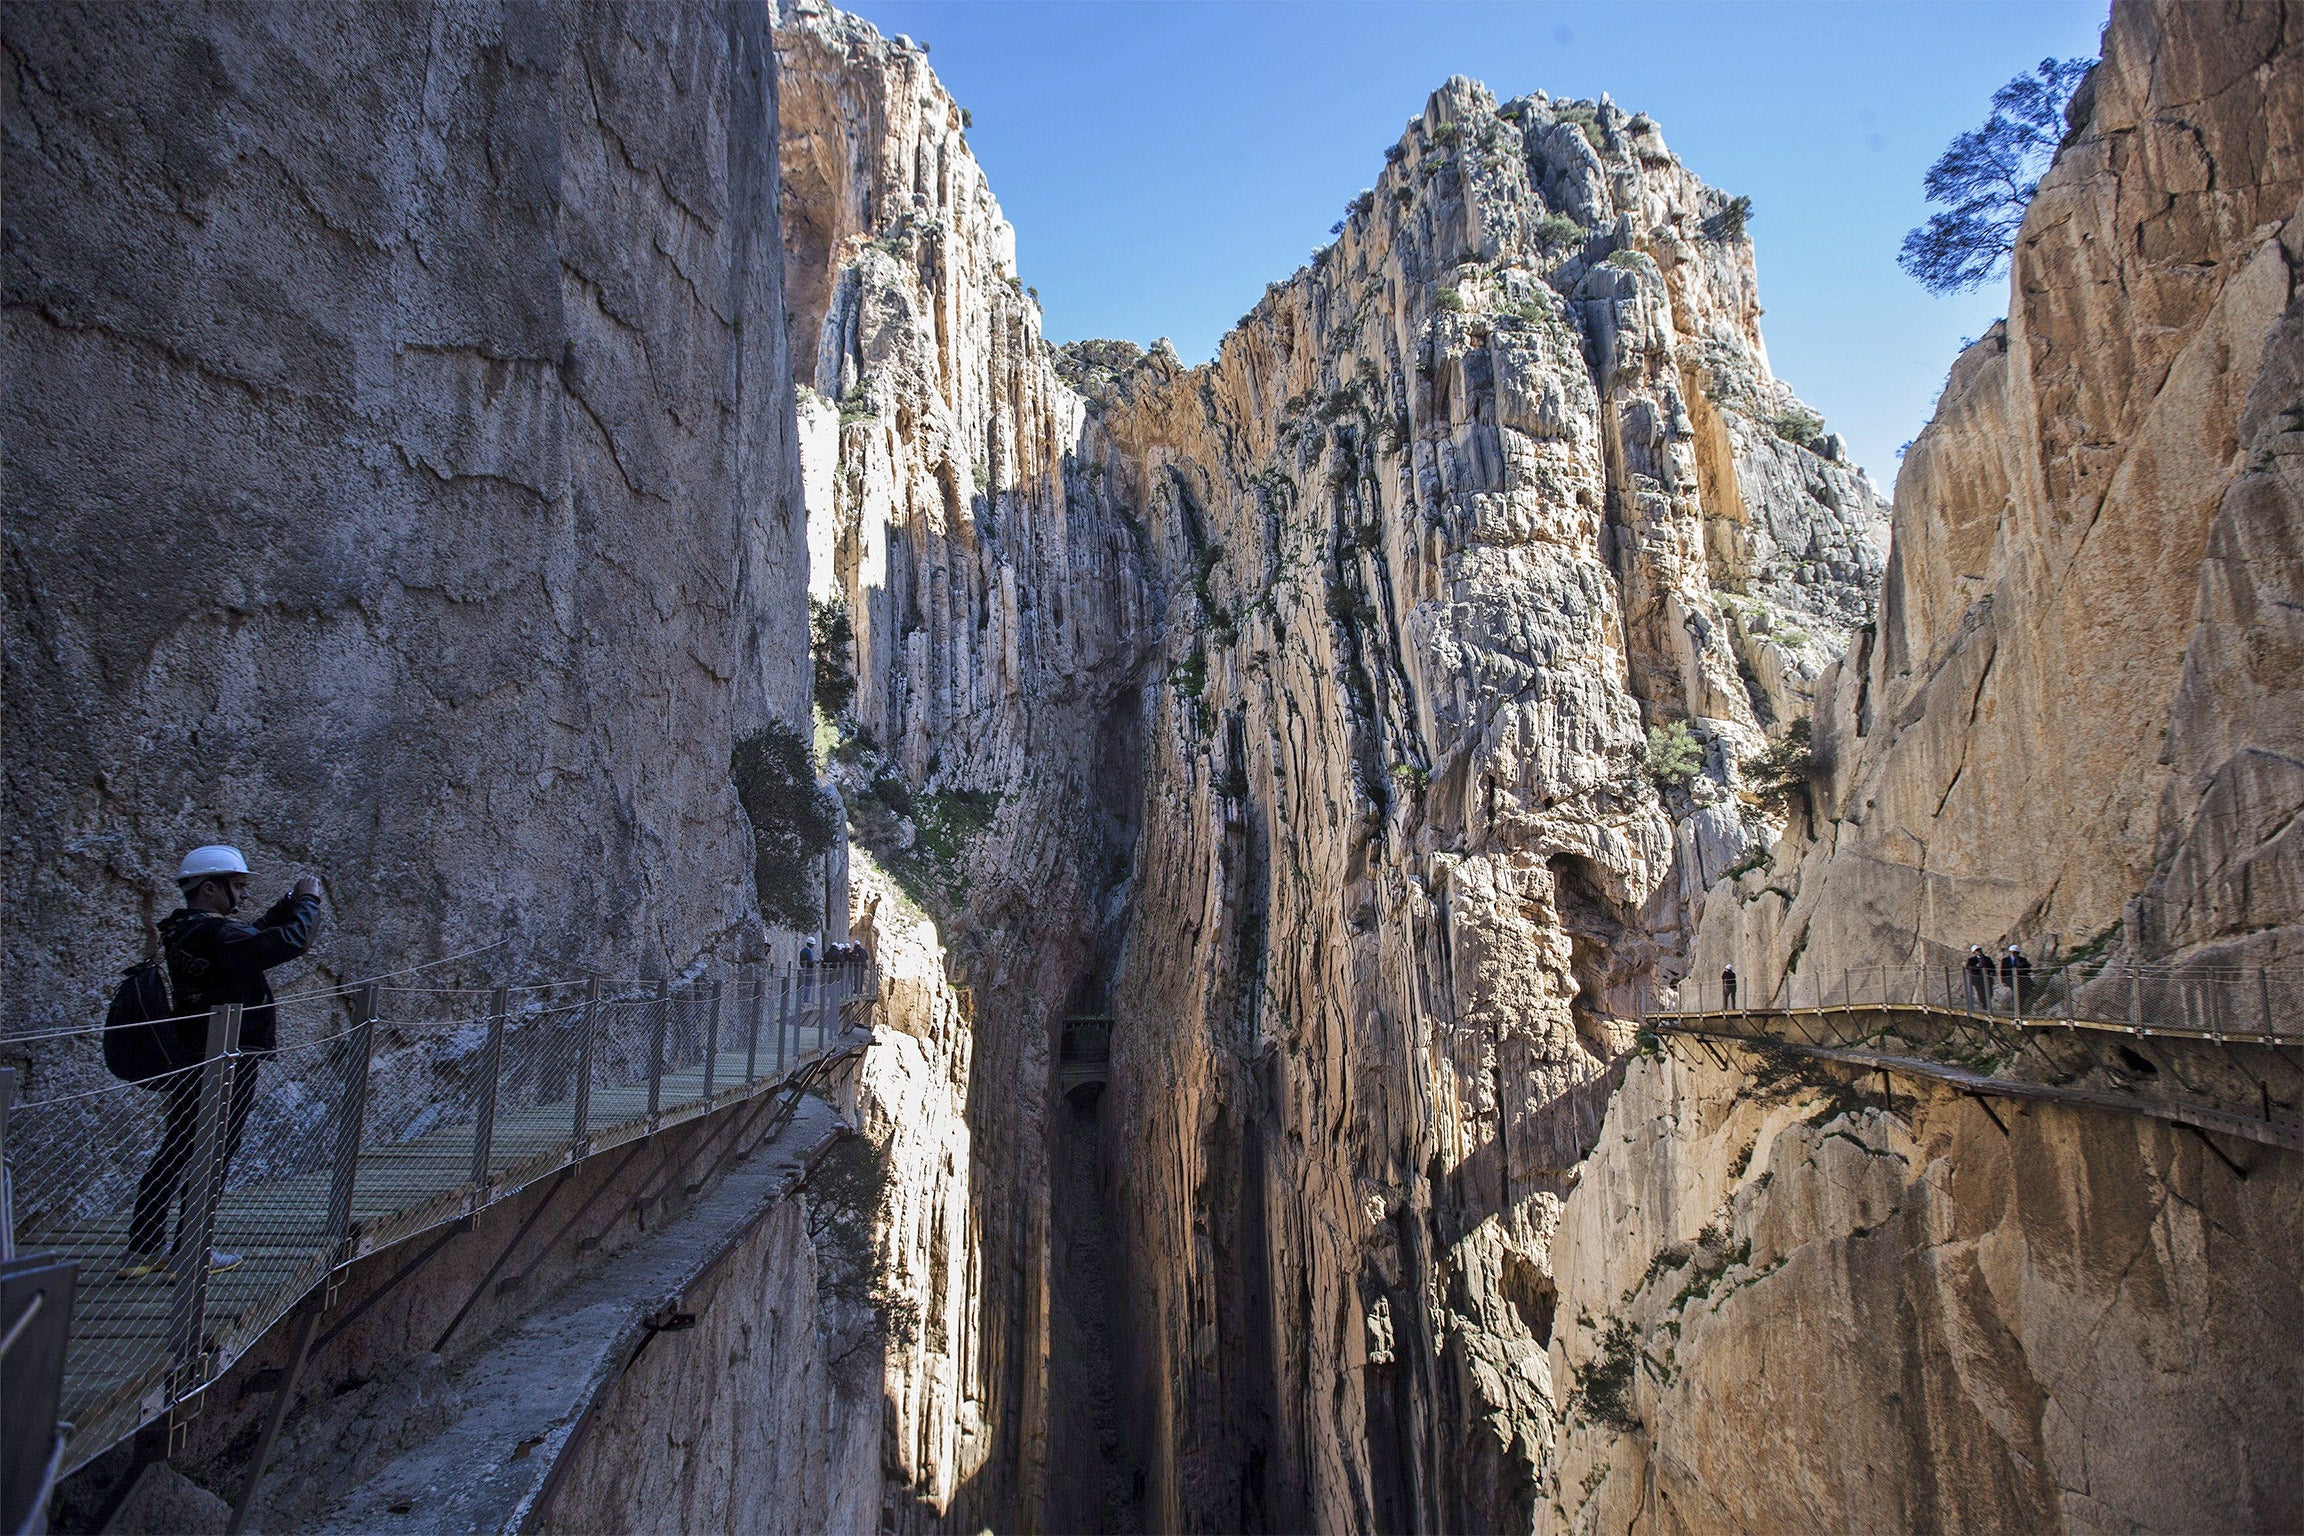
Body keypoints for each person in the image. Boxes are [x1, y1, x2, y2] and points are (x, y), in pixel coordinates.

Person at [121, 846, 323, 1279]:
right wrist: (308, 902)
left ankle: (144, 1249)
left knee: (177, 1147)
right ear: (210, 887)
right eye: (237, 886)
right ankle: (191, 1251)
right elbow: (289, 942)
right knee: (214, 1152)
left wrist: (284, 904)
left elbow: (248, 939)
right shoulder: (215, 935)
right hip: (227, 1054)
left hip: (195, 1051)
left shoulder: (184, 931)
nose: (242, 896)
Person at [1999, 943, 2034, 1014]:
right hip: (2010, 979)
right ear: (2010, 952)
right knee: (2016, 994)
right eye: (2013, 952)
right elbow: (2003, 971)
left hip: (2022, 980)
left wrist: (2021, 969)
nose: (2014, 954)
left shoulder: (2022, 960)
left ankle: (2020, 1009)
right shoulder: (2005, 960)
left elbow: (2028, 970)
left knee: (2022, 995)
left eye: (2016, 953)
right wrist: (2003, 980)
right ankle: (2017, 1010)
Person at [1964, 945, 1993, 1010]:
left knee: (1990, 992)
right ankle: (1985, 1006)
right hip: (1978, 979)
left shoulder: (1987, 959)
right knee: (1981, 993)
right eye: (1977, 951)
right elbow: (1968, 967)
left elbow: (1992, 967)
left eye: (1979, 950)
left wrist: (1991, 972)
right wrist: (1976, 966)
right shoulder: (1971, 960)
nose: (1979, 952)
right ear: (1974, 953)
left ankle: (1988, 1004)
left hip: (1987, 978)